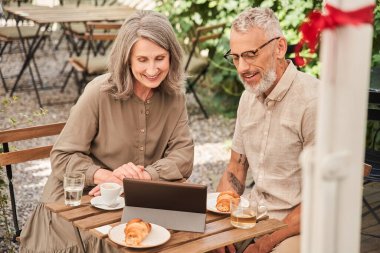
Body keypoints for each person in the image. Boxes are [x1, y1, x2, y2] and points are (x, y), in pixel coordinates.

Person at [19, 10, 194, 253]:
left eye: (160, 58)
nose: (153, 69)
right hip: (83, 195)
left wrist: (142, 177)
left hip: (139, 196)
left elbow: (184, 157)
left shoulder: (175, 97)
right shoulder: (99, 92)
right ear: (127, 59)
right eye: (142, 60)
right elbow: (61, 157)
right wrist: (106, 176)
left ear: (171, 57)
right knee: (115, 243)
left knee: (186, 233)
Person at [215, 7, 319, 253]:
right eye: (236, 57)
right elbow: (236, 168)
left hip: (299, 225)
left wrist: (266, 242)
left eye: (250, 54)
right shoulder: (247, 98)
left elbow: (321, 198)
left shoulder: (313, 101)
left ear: (280, 48)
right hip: (252, 217)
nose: (242, 68)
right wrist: (219, 230)